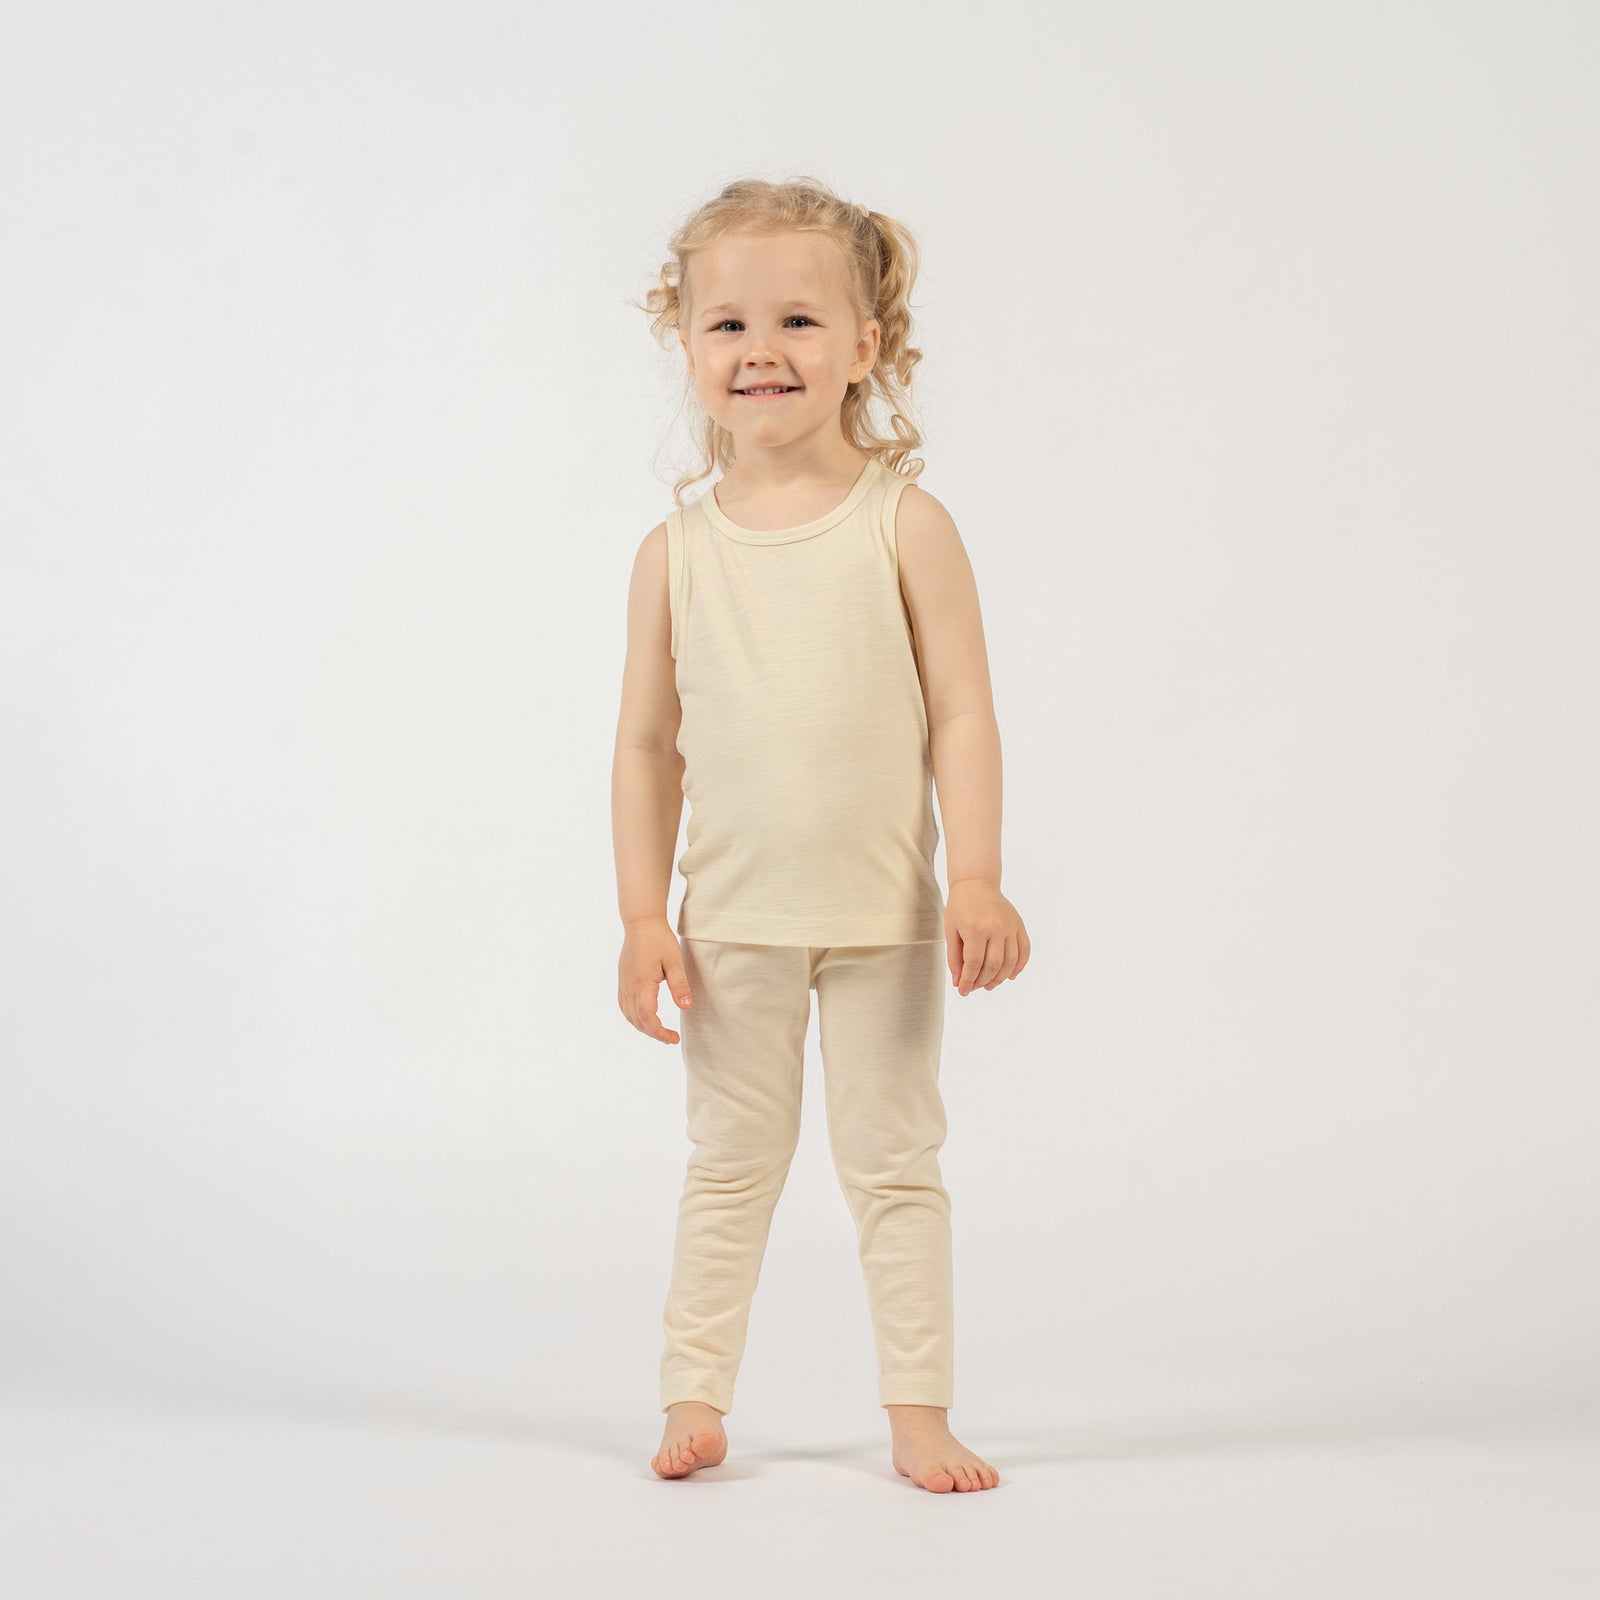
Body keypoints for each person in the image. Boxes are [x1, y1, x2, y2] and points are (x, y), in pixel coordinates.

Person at [612, 176, 1028, 1494]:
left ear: (866, 345)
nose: (763, 351)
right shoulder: (675, 552)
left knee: (896, 1166)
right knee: (730, 1166)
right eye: (728, 324)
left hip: (883, 920)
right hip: (731, 922)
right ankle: (693, 1397)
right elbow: (646, 748)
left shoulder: (906, 524)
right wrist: (641, 915)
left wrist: (976, 876)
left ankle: (917, 1413)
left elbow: (963, 712)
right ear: (689, 344)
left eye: (798, 320)